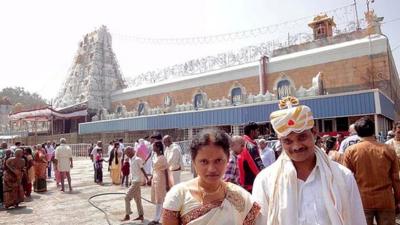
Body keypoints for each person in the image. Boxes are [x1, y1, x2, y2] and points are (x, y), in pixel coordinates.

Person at [252, 96, 366, 225]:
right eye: (288, 141)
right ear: (280, 141)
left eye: (302, 137)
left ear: (314, 132)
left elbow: (357, 220)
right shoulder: (265, 181)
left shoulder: (343, 176)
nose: (296, 146)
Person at [162, 129, 260, 225]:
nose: (212, 169)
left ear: (227, 159)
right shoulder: (178, 195)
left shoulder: (241, 197)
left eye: (218, 160)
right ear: (194, 162)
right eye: (204, 161)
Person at [344, 117, 400, 225]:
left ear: (357, 132)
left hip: (362, 201)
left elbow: (347, 179)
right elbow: (395, 178)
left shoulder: (350, 151)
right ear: (373, 130)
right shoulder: (388, 149)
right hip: (385, 199)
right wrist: (398, 199)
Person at [122, 146, 149, 222]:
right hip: (133, 181)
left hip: (137, 181)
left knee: (127, 197)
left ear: (132, 152)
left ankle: (127, 215)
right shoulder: (130, 160)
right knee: (138, 200)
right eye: (127, 153)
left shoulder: (137, 159)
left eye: (128, 153)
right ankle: (141, 216)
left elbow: (142, 169)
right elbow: (132, 172)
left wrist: (147, 179)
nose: (128, 154)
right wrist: (130, 180)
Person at [239, 122, 264, 192]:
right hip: (251, 185)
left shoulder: (242, 142)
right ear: (252, 132)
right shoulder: (250, 146)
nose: (259, 133)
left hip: (243, 183)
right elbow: (258, 166)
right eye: (257, 130)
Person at [149, 141, 169, 225]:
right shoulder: (155, 156)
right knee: (156, 197)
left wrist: (167, 184)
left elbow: (166, 171)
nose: (152, 148)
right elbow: (153, 169)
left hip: (161, 179)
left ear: (158, 147)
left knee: (160, 198)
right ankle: (158, 216)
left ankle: (157, 218)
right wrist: (151, 178)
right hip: (155, 178)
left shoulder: (162, 158)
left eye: (154, 146)